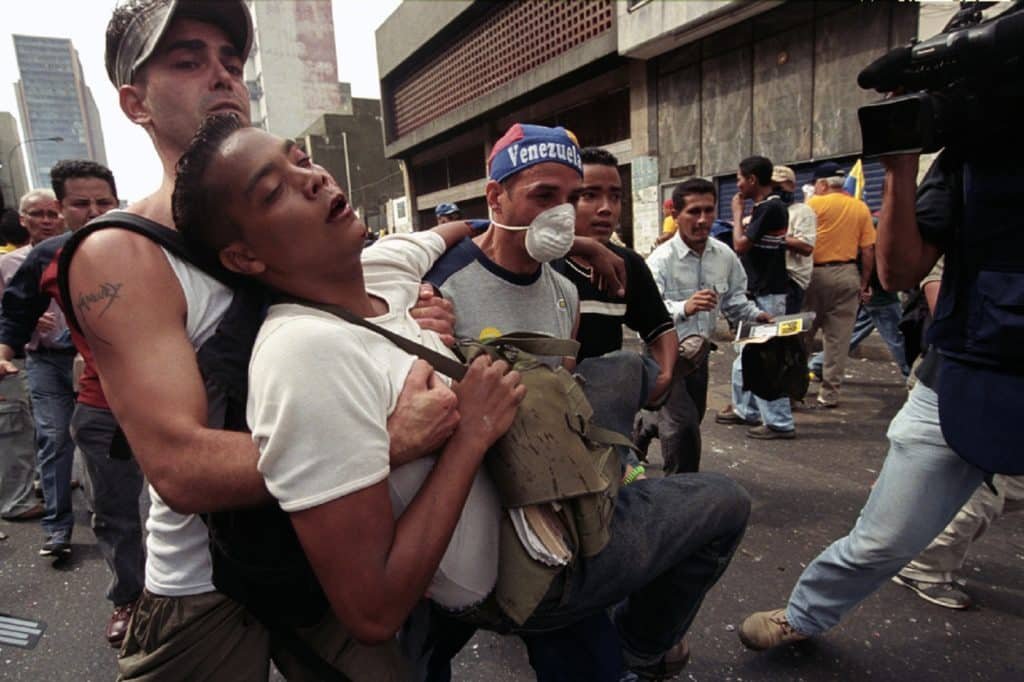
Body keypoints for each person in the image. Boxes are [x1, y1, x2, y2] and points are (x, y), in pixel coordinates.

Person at [65, 1, 458, 677]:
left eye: (232, 62)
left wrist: (409, 323)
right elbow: (179, 466)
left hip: (327, 547)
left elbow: (363, 312)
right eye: (188, 61)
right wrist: (382, 445)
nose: (221, 78)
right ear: (135, 103)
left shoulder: (291, 220)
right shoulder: (121, 256)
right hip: (206, 583)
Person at [174, 112, 530, 674]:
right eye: (273, 192)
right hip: (506, 580)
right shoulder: (303, 352)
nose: (312, 178)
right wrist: (473, 434)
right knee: (718, 506)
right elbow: (371, 613)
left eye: (301, 160)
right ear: (245, 258)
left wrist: (585, 243)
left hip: (525, 511)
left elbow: (451, 230)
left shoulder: (380, 267)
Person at [423, 124, 751, 681]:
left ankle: (622, 641)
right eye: (543, 196)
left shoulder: (565, 293)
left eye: (571, 197)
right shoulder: (438, 286)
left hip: (550, 522)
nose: (563, 214)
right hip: (460, 527)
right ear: (495, 197)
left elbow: (563, 403)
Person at [738, 138, 1022, 650]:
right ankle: (804, 614)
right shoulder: (971, 158)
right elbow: (900, 269)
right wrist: (900, 166)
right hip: (961, 382)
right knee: (884, 539)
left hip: (839, 286)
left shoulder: (805, 205)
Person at [0, 159, 144, 644]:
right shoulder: (47, 257)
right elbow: (18, 308)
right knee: (115, 510)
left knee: (197, 505)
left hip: (178, 402)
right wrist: (5, 351)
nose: (94, 211)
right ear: (61, 209)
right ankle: (130, 598)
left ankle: (209, 602)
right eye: (81, 203)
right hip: (102, 407)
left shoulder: (149, 245)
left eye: (104, 201)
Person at [551, 147, 677, 474]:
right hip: (549, 424)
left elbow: (660, 328)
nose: (606, 209)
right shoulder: (540, 264)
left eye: (616, 197)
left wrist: (662, 376)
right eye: (589, 195)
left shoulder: (629, 265)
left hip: (606, 429)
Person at [640, 178, 772, 472]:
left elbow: (735, 300)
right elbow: (646, 310)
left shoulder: (724, 256)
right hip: (664, 356)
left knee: (691, 417)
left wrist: (757, 316)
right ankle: (682, 489)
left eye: (708, 211)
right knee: (683, 427)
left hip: (698, 358)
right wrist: (683, 307)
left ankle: (645, 425)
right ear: (676, 215)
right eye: (694, 212)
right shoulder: (660, 260)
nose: (703, 220)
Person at [1, 189, 76, 558]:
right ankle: (57, 528)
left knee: (102, 442)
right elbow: (10, 315)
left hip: (90, 362)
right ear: (23, 219)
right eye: (37, 213)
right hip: (42, 362)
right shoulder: (9, 264)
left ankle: (105, 514)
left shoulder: (88, 252)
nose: (46, 219)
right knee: (54, 437)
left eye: (51, 213)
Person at [720, 155, 794, 439]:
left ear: (752, 179)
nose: (737, 184)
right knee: (745, 355)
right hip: (760, 292)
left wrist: (737, 213)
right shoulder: (767, 207)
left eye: (739, 178)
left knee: (766, 357)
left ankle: (779, 422)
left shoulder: (770, 208)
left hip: (767, 295)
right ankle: (746, 410)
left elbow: (740, 245)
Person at [801, 161, 875, 408]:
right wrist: (864, 283)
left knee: (803, 334)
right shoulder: (860, 208)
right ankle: (829, 393)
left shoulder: (812, 206)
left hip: (814, 275)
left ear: (822, 184)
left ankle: (796, 387)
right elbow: (867, 250)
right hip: (847, 274)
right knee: (838, 339)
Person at [772, 165, 816, 315]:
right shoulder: (767, 210)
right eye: (771, 187)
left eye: (778, 186)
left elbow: (806, 248)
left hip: (791, 281)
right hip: (769, 281)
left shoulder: (802, 211)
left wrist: (774, 236)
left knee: (785, 331)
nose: (774, 191)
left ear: (791, 186)